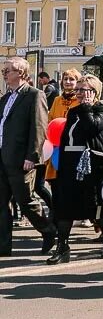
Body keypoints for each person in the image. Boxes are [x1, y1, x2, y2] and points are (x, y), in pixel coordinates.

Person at [46, 75, 103, 263]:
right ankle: (63, 247)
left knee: (97, 207)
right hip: (70, 164)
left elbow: (93, 127)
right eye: (79, 90)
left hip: (92, 166)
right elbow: (66, 139)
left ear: (94, 92)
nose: (80, 94)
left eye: (84, 90)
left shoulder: (102, 109)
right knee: (64, 207)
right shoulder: (73, 111)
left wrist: (86, 107)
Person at [0, 57, 55, 257]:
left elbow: (39, 127)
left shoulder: (34, 95)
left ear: (22, 73)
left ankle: (49, 231)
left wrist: (32, 156)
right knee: (1, 203)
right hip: (2, 156)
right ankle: (3, 246)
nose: (5, 73)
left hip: (21, 159)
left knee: (26, 201)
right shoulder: (6, 98)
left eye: (9, 70)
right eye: (4, 70)